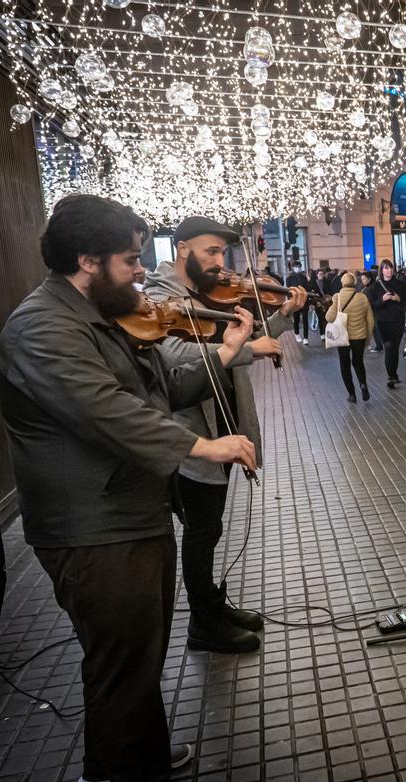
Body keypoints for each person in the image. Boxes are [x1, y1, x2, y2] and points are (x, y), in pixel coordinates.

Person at [0, 194, 258, 782]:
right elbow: (105, 411)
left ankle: (106, 768)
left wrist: (224, 349)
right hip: (93, 528)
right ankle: (139, 779)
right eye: (130, 260)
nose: (143, 272)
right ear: (87, 259)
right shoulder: (42, 326)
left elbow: (164, 382)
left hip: (127, 513)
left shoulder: (101, 315)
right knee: (126, 666)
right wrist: (203, 448)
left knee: (124, 663)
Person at [144, 216, 305, 654]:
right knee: (202, 531)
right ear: (182, 248)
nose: (220, 263)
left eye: (222, 253)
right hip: (192, 434)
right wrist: (245, 348)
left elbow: (246, 340)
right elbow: (172, 355)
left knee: (210, 528)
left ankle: (214, 605)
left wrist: (282, 319)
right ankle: (203, 623)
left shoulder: (208, 292)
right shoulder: (159, 297)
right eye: (210, 252)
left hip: (224, 422)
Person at [327, 271, 375, 402]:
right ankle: (363, 385)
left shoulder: (337, 297)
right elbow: (370, 321)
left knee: (345, 364)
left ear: (342, 283)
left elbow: (329, 317)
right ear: (354, 283)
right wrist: (368, 339)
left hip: (342, 337)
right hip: (359, 337)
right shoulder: (362, 297)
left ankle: (352, 394)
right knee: (358, 362)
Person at [366, 259, 406, 389]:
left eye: (390, 268)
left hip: (397, 320)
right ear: (381, 270)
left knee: (395, 348)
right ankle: (390, 376)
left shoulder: (400, 284)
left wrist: (399, 299)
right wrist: (382, 299)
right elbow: (372, 305)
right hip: (383, 321)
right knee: (389, 347)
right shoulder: (375, 287)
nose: (389, 271)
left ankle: (394, 373)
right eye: (386, 268)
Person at [286, 261, 310, 343]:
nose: (298, 268)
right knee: (296, 319)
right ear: (293, 267)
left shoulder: (304, 278)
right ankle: (297, 334)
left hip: (304, 301)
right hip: (295, 302)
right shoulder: (289, 278)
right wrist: (290, 301)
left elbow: (307, 289)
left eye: (299, 266)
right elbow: (288, 291)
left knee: (305, 320)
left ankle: (306, 337)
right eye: (296, 266)